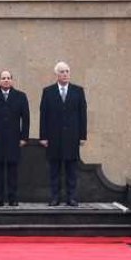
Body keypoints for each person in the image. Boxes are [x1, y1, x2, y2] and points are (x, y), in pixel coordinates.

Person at [39, 61, 87, 206]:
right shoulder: (48, 91)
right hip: (53, 137)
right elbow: (44, 115)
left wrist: (82, 136)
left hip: (72, 137)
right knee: (54, 169)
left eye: (67, 71)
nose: (65, 74)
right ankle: (55, 197)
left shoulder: (78, 91)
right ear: (57, 74)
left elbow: (82, 115)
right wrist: (43, 136)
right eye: (62, 71)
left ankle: (71, 197)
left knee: (71, 169)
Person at [0, 70, 30, 207]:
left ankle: (12, 198)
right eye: (3, 78)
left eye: (8, 78)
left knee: (13, 170)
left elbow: (25, 119)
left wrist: (24, 137)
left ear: (12, 80)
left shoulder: (20, 96)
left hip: (14, 139)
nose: (6, 80)